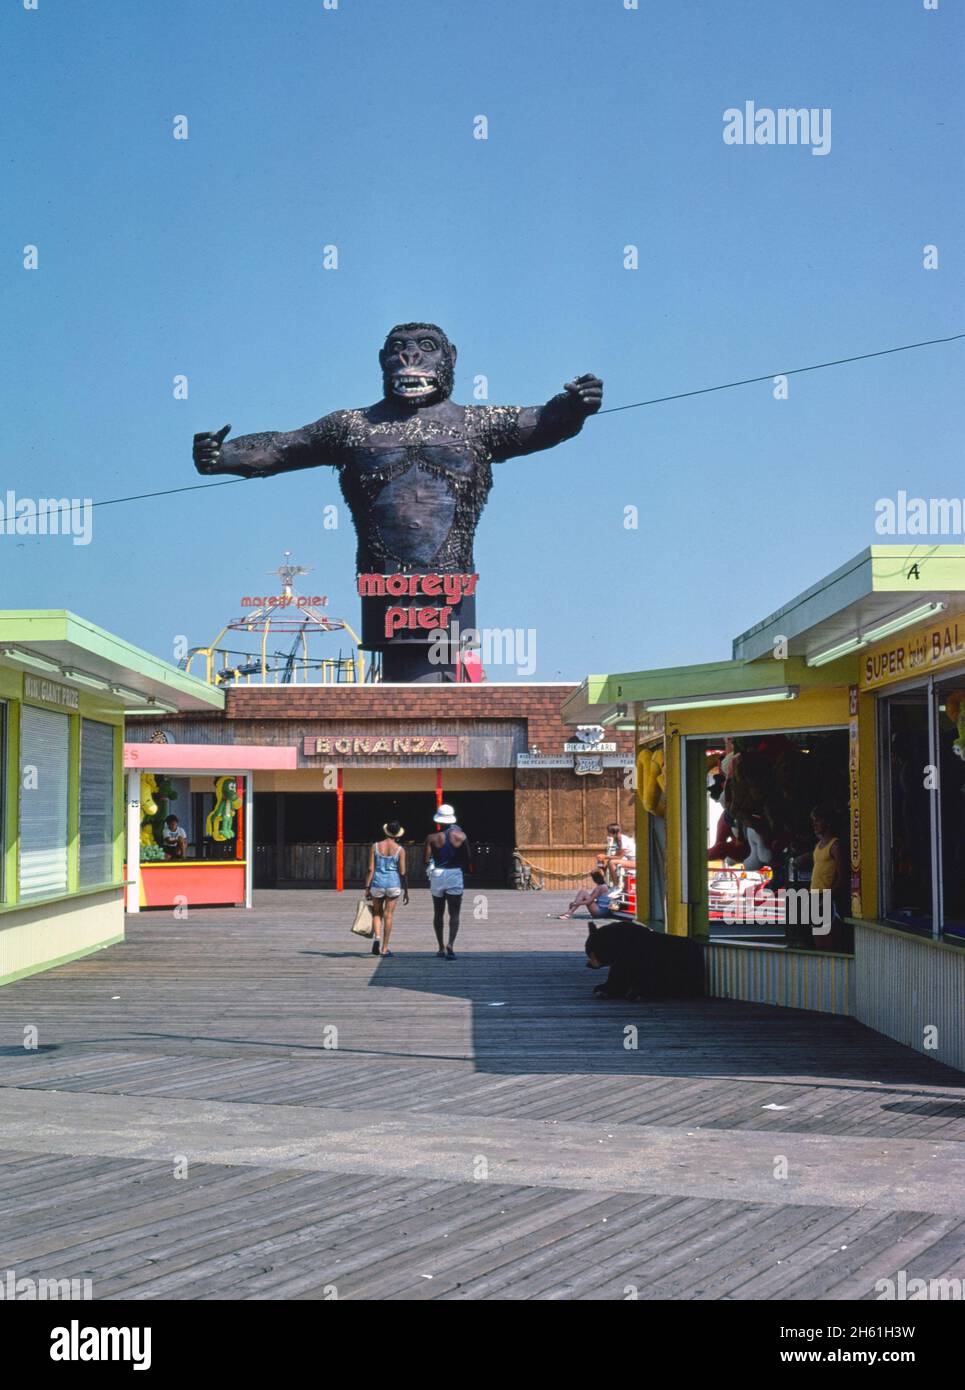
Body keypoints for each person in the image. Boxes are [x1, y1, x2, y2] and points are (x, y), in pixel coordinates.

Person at [425, 804, 470, 959]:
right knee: (454, 913)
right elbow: (468, 857)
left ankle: (440, 947)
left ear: (438, 820)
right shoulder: (461, 836)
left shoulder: (432, 837)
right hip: (455, 873)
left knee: (438, 912)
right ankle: (451, 943)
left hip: (437, 874)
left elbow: (425, 860)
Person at [364, 821, 409, 957]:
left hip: (377, 883)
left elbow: (370, 868)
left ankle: (377, 938)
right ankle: (384, 948)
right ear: (398, 834)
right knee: (388, 915)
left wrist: (367, 887)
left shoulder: (375, 846)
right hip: (393, 884)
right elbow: (402, 872)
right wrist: (406, 890)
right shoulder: (400, 850)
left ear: (386, 831)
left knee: (377, 913)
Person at [599, 822, 636, 887]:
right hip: (631, 861)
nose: (608, 834)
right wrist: (605, 861)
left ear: (613, 832)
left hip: (636, 862)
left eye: (609, 832)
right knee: (609, 863)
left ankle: (616, 885)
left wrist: (605, 856)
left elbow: (619, 857)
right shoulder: (617, 840)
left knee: (612, 862)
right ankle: (610, 884)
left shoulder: (623, 840)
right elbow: (616, 855)